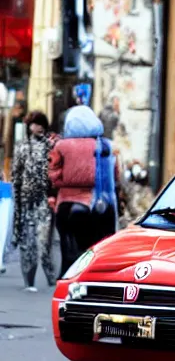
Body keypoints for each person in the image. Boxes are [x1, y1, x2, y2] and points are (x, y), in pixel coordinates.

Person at [49, 105, 118, 278]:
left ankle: (67, 271)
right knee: (96, 243)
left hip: (67, 201)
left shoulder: (61, 146)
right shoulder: (105, 145)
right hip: (99, 201)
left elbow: (53, 173)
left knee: (67, 242)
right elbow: (115, 174)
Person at [10, 111, 57, 291]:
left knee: (44, 242)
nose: (36, 128)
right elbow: (16, 174)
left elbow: (54, 172)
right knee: (27, 243)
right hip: (26, 200)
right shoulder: (21, 146)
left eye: (39, 124)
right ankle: (28, 280)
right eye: (33, 124)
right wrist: (18, 201)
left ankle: (51, 277)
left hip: (44, 200)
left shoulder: (50, 146)